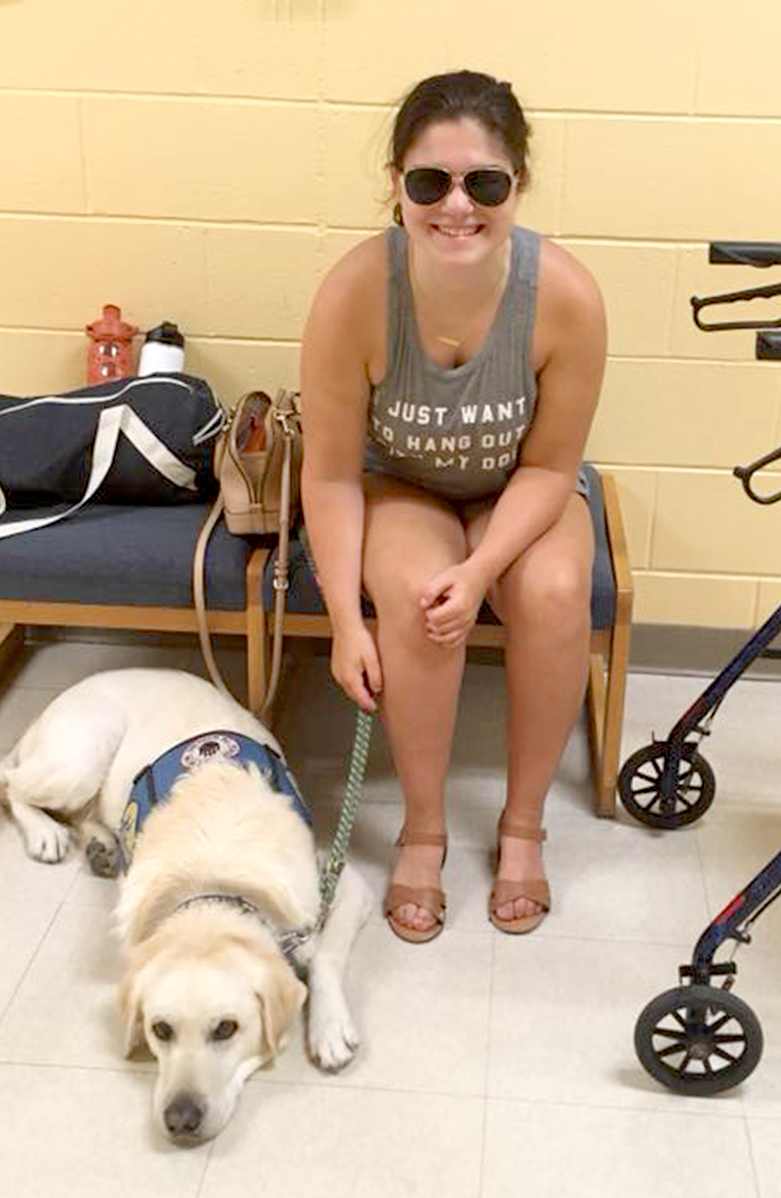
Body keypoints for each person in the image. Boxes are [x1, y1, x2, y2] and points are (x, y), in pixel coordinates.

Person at [300, 69, 606, 942]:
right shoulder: (356, 293)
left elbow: (551, 466)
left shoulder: (567, 297)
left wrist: (484, 569)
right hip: (404, 484)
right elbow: (327, 474)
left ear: (520, 187)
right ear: (397, 186)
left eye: (485, 183)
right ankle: (424, 831)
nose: (457, 206)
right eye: (430, 183)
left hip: (521, 489)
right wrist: (343, 623)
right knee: (419, 595)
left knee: (549, 592)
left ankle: (522, 827)